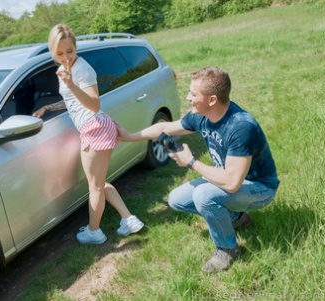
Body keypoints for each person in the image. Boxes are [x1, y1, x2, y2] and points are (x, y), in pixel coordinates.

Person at [116, 67, 279, 272]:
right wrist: (128, 136)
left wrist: (191, 162)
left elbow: (232, 182)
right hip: (228, 181)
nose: (187, 97)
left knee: (203, 195)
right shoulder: (200, 115)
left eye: (193, 94)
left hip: (259, 188)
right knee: (177, 199)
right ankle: (237, 217)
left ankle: (227, 249)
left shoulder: (241, 126)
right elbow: (162, 129)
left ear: (211, 100)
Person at [33, 24, 144, 244]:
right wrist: (47, 108)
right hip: (95, 127)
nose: (66, 57)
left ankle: (94, 232)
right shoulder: (67, 71)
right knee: (99, 183)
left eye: (70, 51)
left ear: (76, 48)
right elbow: (71, 101)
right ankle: (128, 219)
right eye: (60, 53)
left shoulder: (81, 69)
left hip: (95, 127)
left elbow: (93, 104)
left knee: (94, 187)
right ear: (52, 52)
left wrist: (71, 84)